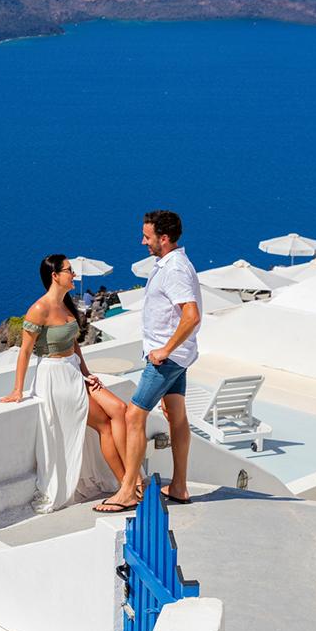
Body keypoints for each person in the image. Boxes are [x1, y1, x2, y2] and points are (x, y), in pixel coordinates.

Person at [1, 254, 130, 513]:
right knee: (104, 425)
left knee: (119, 409)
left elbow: (73, 344)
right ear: (55, 276)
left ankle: (130, 481)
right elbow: (25, 351)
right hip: (55, 376)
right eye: (69, 271)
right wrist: (17, 389)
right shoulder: (39, 309)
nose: (74, 275)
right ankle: (128, 484)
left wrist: (86, 372)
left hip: (73, 372)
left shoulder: (66, 304)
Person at [95, 210, 202, 513]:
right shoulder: (173, 263)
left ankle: (128, 491)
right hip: (179, 356)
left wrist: (165, 349)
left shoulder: (174, 269)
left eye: (147, 236)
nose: (143, 242)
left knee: (133, 416)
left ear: (163, 238)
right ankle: (179, 486)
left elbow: (191, 315)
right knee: (176, 415)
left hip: (167, 358)